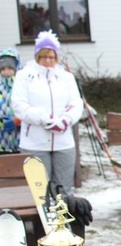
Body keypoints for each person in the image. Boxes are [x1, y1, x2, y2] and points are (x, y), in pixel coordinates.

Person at [11, 30, 83, 195]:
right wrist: (44, 119)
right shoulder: (24, 76)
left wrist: (65, 120)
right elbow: (19, 105)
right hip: (35, 142)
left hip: (63, 141)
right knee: (40, 190)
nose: (47, 61)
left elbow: (75, 103)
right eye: (43, 56)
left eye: (51, 57)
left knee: (64, 189)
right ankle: (41, 220)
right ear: (37, 56)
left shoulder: (66, 77)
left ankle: (65, 219)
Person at [0, 48, 21, 154]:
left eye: (10, 68)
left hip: (19, 133)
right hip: (2, 135)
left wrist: (19, 120)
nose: (6, 72)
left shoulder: (21, 83)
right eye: (3, 69)